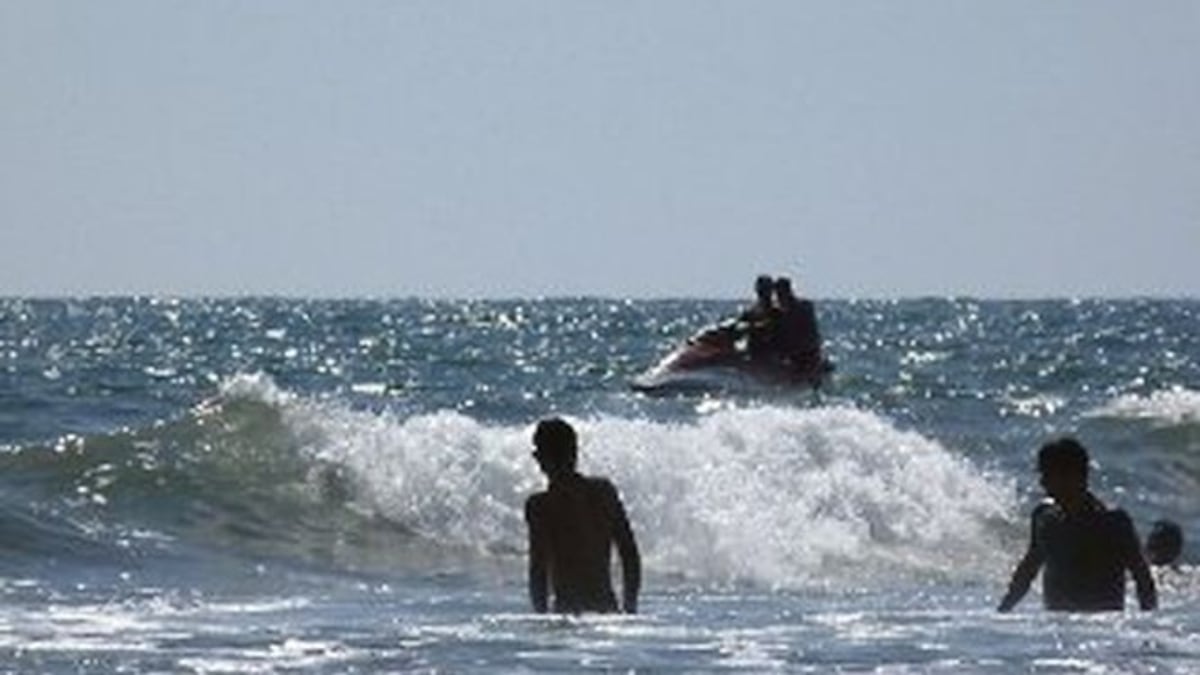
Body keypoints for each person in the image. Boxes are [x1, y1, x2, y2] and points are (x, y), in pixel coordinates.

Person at [997, 437, 1157, 612]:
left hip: (1101, 632)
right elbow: (1028, 570)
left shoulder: (1113, 522)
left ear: (1075, 476)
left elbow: (1143, 579)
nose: (1042, 483)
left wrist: (1147, 631)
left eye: (1048, 475)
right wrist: (1003, 611)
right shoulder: (1044, 518)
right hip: (1054, 630)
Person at [525, 417, 641, 614]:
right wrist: (630, 608)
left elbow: (538, 571)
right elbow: (629, 554)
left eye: (537, 450)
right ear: (575, 453)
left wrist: (541, 619)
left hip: (566, 614)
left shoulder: (540, 506)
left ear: (541, 457)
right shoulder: (604, 492)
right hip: (606, 610)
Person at [771, 277, 823, 375]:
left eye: (780, 293)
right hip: (799, 354)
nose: (778, 296)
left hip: (805, 354)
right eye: (777, 293)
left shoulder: (801, 308)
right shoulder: (781, 312)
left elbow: (809, 335)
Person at [737, 274, 779, 359]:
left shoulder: (776, 309)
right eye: (762, 289)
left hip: (770, 351)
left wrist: (755, 326)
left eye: (767, 289)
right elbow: (739, 323)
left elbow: (774, 325)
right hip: (753, 348)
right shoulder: (752, 309)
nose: (764, 292)